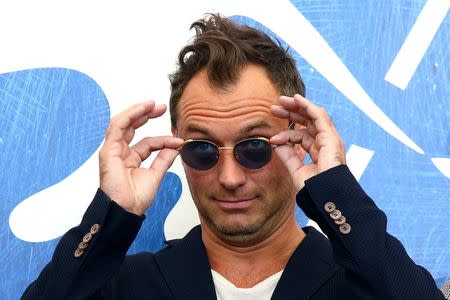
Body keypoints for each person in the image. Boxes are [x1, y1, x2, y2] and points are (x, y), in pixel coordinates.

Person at [22, 14, 445, 300]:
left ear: (298, 140)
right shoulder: (126, 285)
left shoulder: (365, 283)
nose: (229, 177)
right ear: (176, 147)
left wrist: (337, 191)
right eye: (202, 150)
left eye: (254, 148)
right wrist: (112, 212)